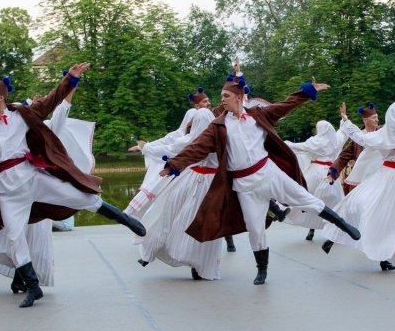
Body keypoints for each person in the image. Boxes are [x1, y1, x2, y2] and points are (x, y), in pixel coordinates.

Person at [0, 63, 146, 308]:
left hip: (33, 178)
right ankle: (33, 287)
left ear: (1, 96)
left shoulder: (21, 114)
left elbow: (51, 102)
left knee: (82, 198)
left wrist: (71, 80)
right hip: (7, 192)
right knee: (13, 238)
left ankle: (126, 220)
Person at [162, 70, 360, 285]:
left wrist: (308, 91)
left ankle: (343, 225)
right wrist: (174, 164)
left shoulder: (258, 115)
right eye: (221, 97)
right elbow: (197, 148)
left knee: (306, 199)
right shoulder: (218, 126)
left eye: (225, 96)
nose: (222, 100)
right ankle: (262, 269)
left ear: (238, 97)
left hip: (269, 173)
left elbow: (285, 105)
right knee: (255, 229)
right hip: (244, 185)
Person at [321, 86, 395, 270]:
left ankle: (381, 254)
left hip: (385, 175)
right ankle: (382, 255)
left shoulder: (383, 134)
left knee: (369, 206)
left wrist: (345, 121)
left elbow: (360, 137)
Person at [139, 108, 223, 279]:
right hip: (204, 182)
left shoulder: (201, 140)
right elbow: (172, 148)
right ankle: (198, 263)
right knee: (200, 221)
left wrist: (147, 147)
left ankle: (154, 250)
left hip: (195, 180)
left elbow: (170, 148)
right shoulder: (211, 139)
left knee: (170, 214)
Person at [284, 119, 346, 241]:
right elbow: (343, 133)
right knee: (333, 202)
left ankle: (306, 225)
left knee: (305, 195)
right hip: (330, 173)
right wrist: (343, 120)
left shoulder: (316, 141)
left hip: (316, 171)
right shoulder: (336, 141)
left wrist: (284, 143)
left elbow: (300, 146)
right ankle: (333, 231)